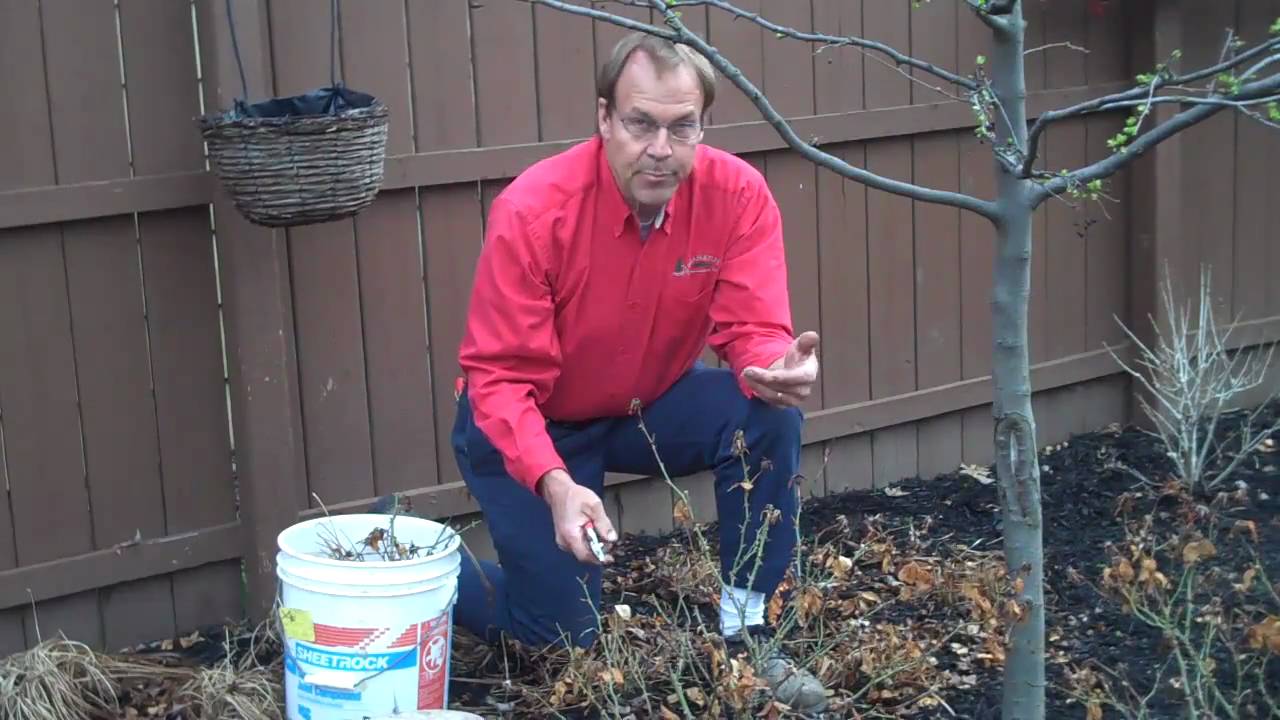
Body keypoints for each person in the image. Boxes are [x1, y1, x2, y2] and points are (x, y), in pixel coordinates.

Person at [449, 31, 827, 713]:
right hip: (532, 426)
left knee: (767, 413)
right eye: (640, 123)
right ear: (603, 119)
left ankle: (749, 634)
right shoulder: (534, 211)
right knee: (561, 636)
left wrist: (771, 365)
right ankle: (428, 565)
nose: (661, 147)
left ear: (702, 124)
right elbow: (498, 378)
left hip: (643, 404)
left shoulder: (737, 195)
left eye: (682, 126)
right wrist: (555, 485)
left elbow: (751, 325)